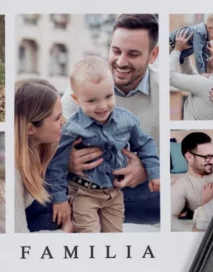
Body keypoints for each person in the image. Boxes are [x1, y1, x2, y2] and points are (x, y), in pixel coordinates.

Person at [61, 14, 160, 225]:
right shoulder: (80, 88)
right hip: (82, 187)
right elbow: (52, 140)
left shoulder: (164, 95)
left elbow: (168, 154)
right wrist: (66, 160)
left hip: (134, 192)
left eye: (133, 54)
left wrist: (148, 169)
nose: (121, 62)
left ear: (153, 55)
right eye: (116, 51)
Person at [45, 57, 160, 233]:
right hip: (84, 192)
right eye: (91, 101)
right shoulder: (72, 129)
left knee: (114, 236)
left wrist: (153, 172)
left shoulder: (126, 120)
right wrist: (59, 199)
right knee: (89, 236)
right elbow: (57, 166)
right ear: (76, 99)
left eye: (108, 96)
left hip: (115, 193)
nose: (102, 106)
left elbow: (145, 144)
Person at [14, 78, 71, 233]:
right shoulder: (13, 169)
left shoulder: (50, 144)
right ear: (30, 129)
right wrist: (65, 233)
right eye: (57, 118)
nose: (64, 121)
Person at [171, 132, 213, 221]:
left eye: (212, 155)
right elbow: (170, 220)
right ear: (189, 157)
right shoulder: (181, 186)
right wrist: (206, 204)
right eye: (207, 157)